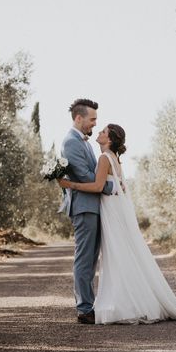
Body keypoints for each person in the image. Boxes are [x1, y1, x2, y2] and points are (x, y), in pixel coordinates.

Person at [59, 124, 176, 324]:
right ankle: (133, 300)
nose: (99, 132)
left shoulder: (104, 158)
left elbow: (97, 186)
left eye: (103, 131)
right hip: (114, 210)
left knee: (116, 256)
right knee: (122, 255)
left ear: (109, 139)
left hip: (110, 212)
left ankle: (126, 303)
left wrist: (69, 184)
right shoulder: (115, 158)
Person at [60, 98, 114, 324]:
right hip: (84, 207)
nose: (94, 124)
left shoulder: (84, 141)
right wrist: (111, 186)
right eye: (92, 120)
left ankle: (89, 305)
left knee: (91, 259)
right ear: (78, 118)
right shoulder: (71, 142)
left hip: (92, 206)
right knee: (84, 259)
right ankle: (84, 308)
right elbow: (85, 176)